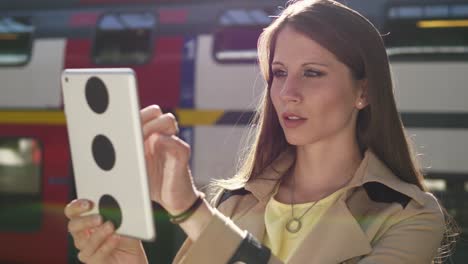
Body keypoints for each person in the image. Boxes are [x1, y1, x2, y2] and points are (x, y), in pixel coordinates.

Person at [64, 0, 454, 263]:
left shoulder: (411, 216)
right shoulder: (234, 202)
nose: (287, 93)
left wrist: (191, 210)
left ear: (363, 92)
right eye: (279, 73)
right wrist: (129, 257)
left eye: (312, 73)